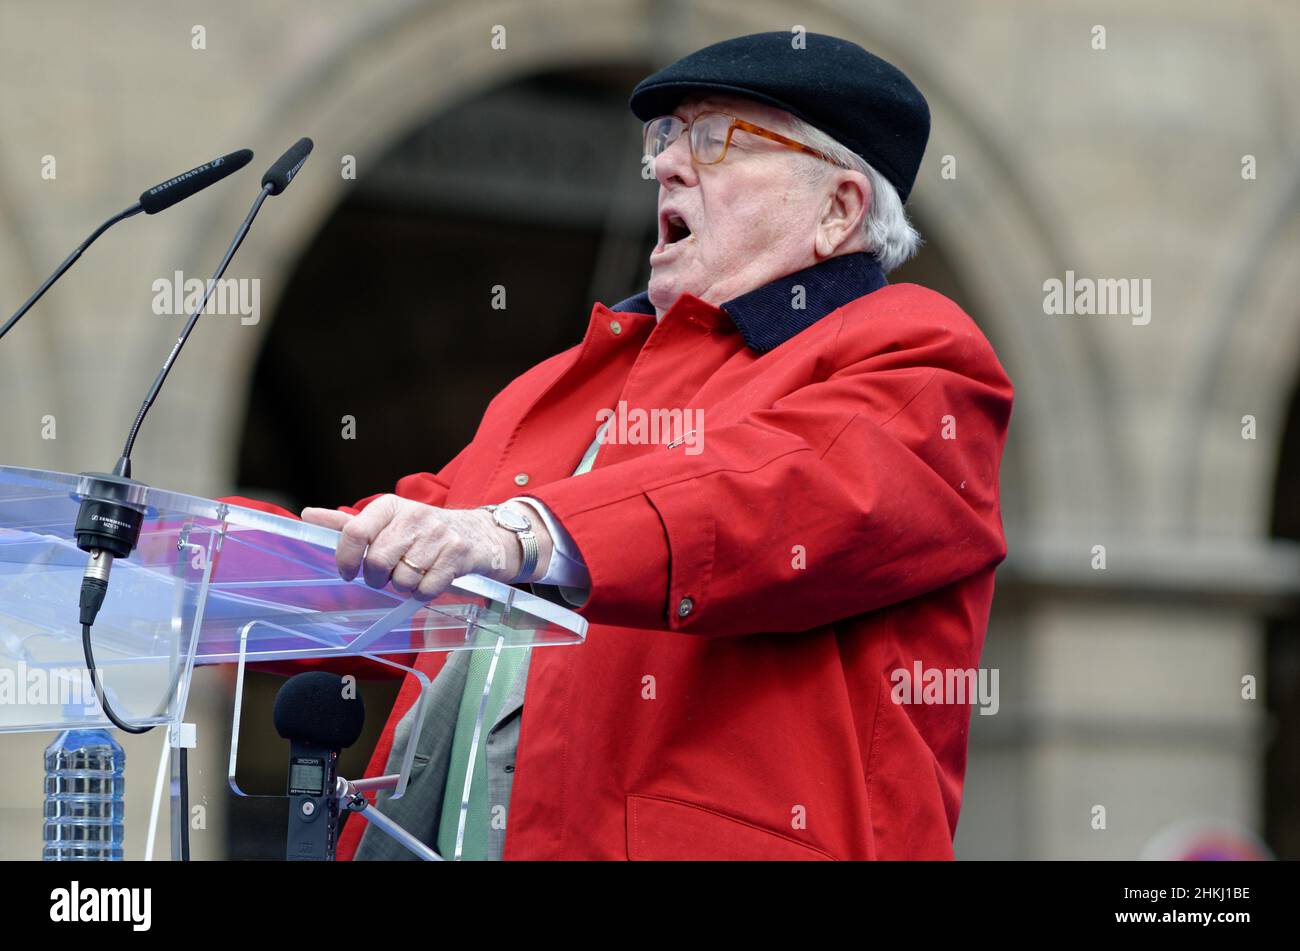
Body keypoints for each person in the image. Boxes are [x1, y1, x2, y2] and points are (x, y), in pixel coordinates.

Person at [230, 31, 1013, 860]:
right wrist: (158, 549)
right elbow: (387, 558)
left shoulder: (918, 352)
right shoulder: (556, 389)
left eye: (718, 140)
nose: (669, 166)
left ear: (838, 209)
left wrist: (519, 534)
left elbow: (775, 494)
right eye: (667, 139)